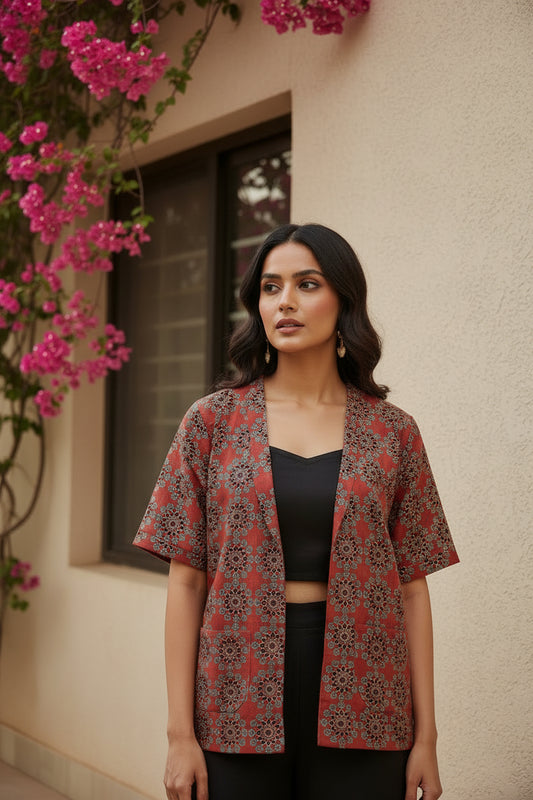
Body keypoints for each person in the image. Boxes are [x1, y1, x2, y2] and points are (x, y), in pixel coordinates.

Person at [133, 223, 459, 800]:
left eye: (307, 284)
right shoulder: (210, 422)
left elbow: (413, 589)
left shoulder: (393, 432)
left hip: (368, 694)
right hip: (236, 691)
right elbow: (186, 583)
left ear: (344, 301)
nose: (284, 301)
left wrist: (426, 738)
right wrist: (180, 735)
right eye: (270, 287)